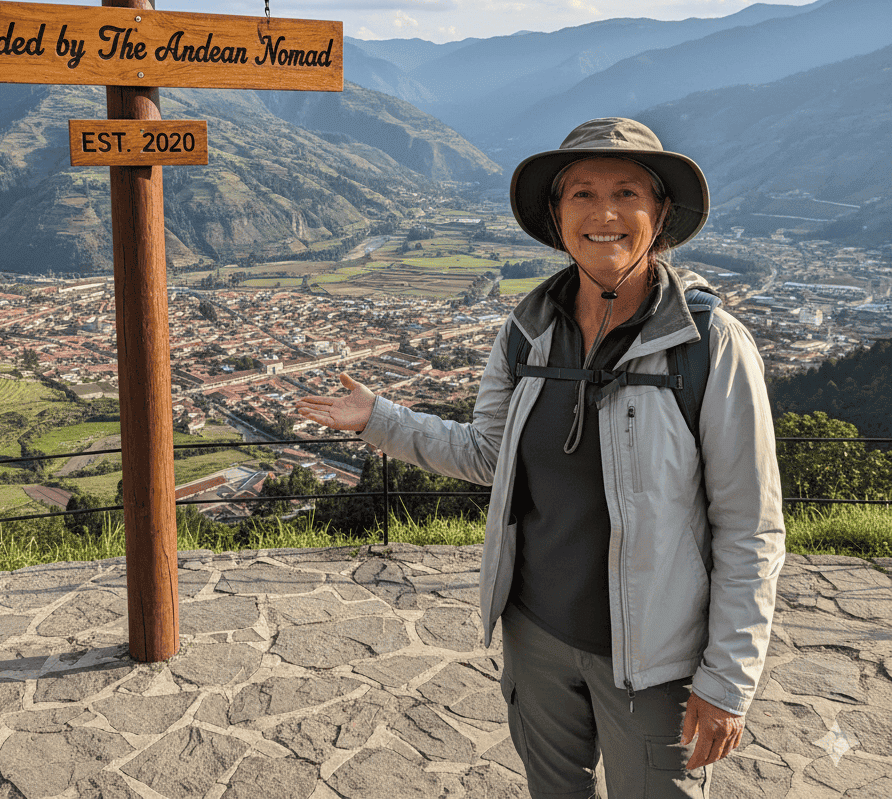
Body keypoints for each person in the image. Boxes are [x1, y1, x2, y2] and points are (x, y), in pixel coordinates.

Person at [296, 117, 785, 798]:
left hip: (653, 659)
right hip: (536, 637)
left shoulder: (709, 345)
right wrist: (380, 420)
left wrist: (728, 679)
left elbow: (749, 526)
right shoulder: (527, 333)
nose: (604, 213)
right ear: (557, 217)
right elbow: (489, 454)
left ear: (661, 212)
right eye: (581, 194)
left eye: (627, 193)